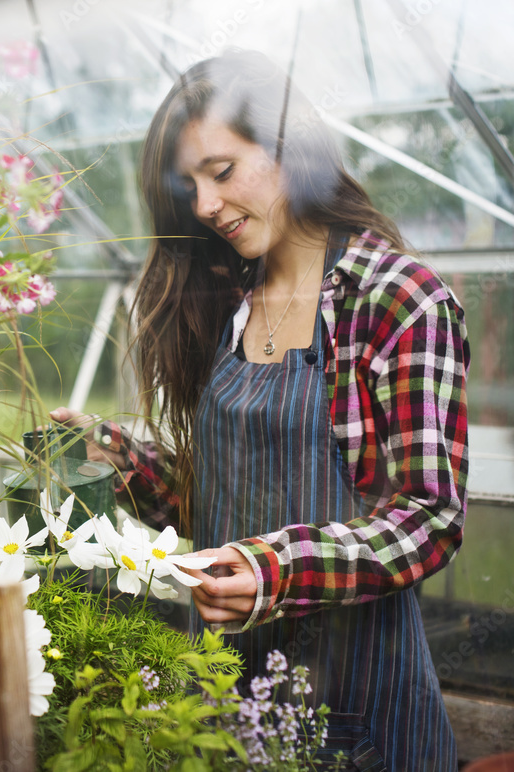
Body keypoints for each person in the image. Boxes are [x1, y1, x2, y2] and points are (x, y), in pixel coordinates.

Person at [51, 49, 469, 771]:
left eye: (221, 171)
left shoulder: (396, 300)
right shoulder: (226, 300)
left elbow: (428, 516)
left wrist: (276, 570)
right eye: (191, 187)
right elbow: (221, 497)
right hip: (222, 703)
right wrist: (120, 459)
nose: (206, 206)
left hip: (359, 712)